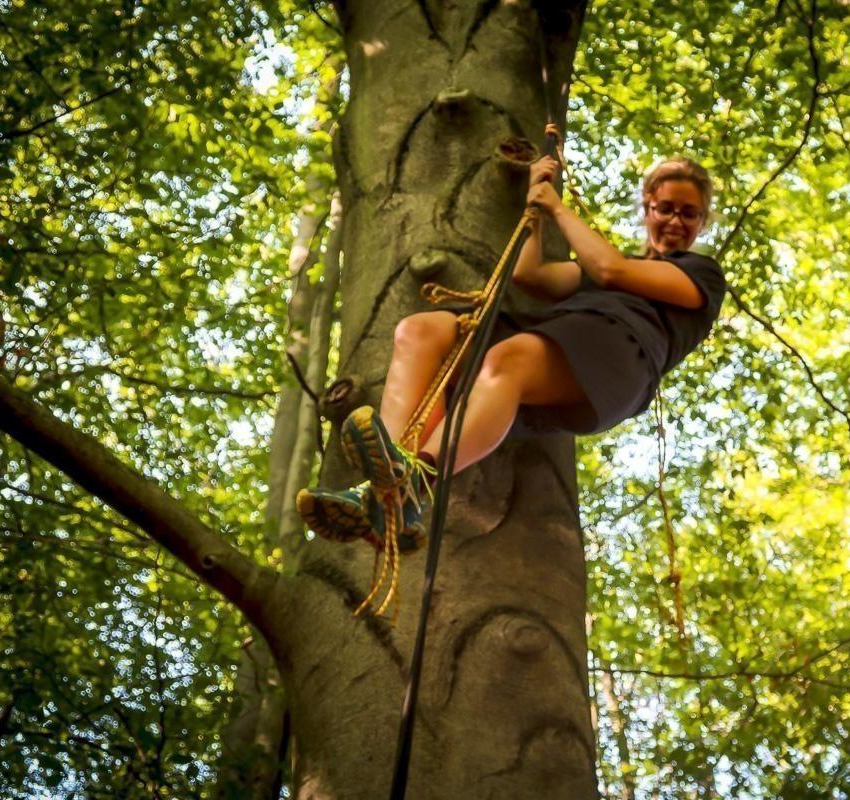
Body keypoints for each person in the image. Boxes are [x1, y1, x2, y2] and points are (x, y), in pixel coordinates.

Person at [296, 155, 727, 552]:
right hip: (564, 331)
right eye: (666, 208)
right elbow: (530, 275)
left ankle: (417, 482)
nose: (675, 221)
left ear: (702, 222)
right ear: (648, 206)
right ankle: (388, 476)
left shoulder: (701, 274)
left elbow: (612, 269)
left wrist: (557, 206)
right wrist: (533, 209)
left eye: (689, 214)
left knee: (506, 361)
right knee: (420, 331)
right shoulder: (606, 269)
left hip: (619, 353)